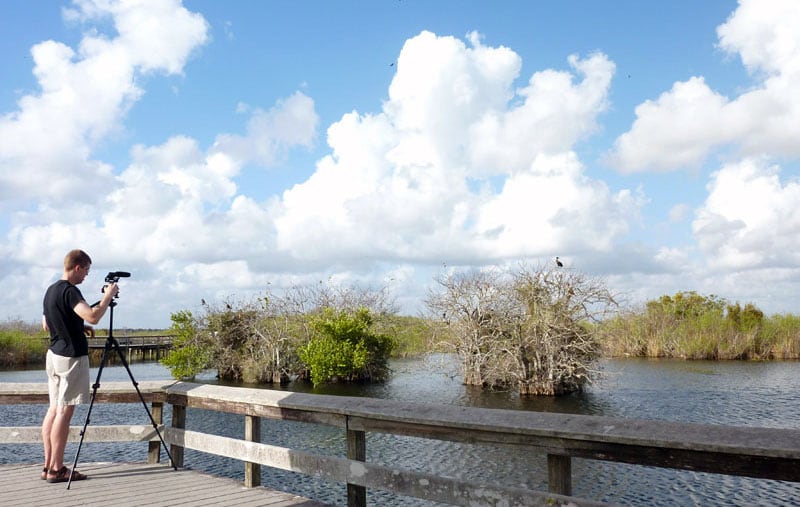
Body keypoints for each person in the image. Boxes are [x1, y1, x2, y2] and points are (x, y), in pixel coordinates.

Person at [40, 249, 118, 483]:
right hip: (71, 358)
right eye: (86, 270)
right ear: (77, 267)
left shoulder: (51, 290)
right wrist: (107, 296)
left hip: (53, 356)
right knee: (65, 412)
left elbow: (47, 324)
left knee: (54, 409)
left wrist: (77, 326)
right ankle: (57, 469)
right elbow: (93, 316)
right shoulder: (70, 291)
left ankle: (47, 467)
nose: (86, 275)